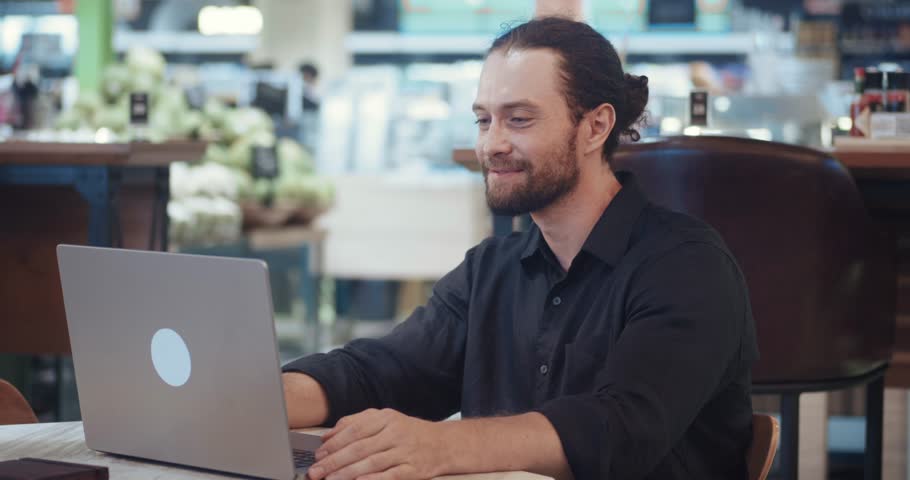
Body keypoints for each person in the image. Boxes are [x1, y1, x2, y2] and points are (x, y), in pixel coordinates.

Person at [281, 16, 758, 480]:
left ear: (595, 127)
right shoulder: (490, 269)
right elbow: (381, 373)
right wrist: (253, 398)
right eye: (484, 120)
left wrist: (439, 444)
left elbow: (621, 429)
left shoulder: (687, 265)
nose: (493, 144)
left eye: (520, 119)